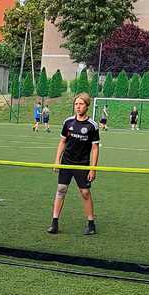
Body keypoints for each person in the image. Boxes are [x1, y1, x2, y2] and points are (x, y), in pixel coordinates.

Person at [47, 92, 100, 236]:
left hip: (82, 164)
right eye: (76, 104)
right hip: (67, 162)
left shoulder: (92, 126)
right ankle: (54, 222)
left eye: (81, 104)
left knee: (85, 192)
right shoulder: (68, 122)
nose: (78, 106)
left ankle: (91, 224)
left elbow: (95, 148)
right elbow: (62, 142)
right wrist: (57, 161)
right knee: (61, 189)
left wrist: (92, 169)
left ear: (87, 106)